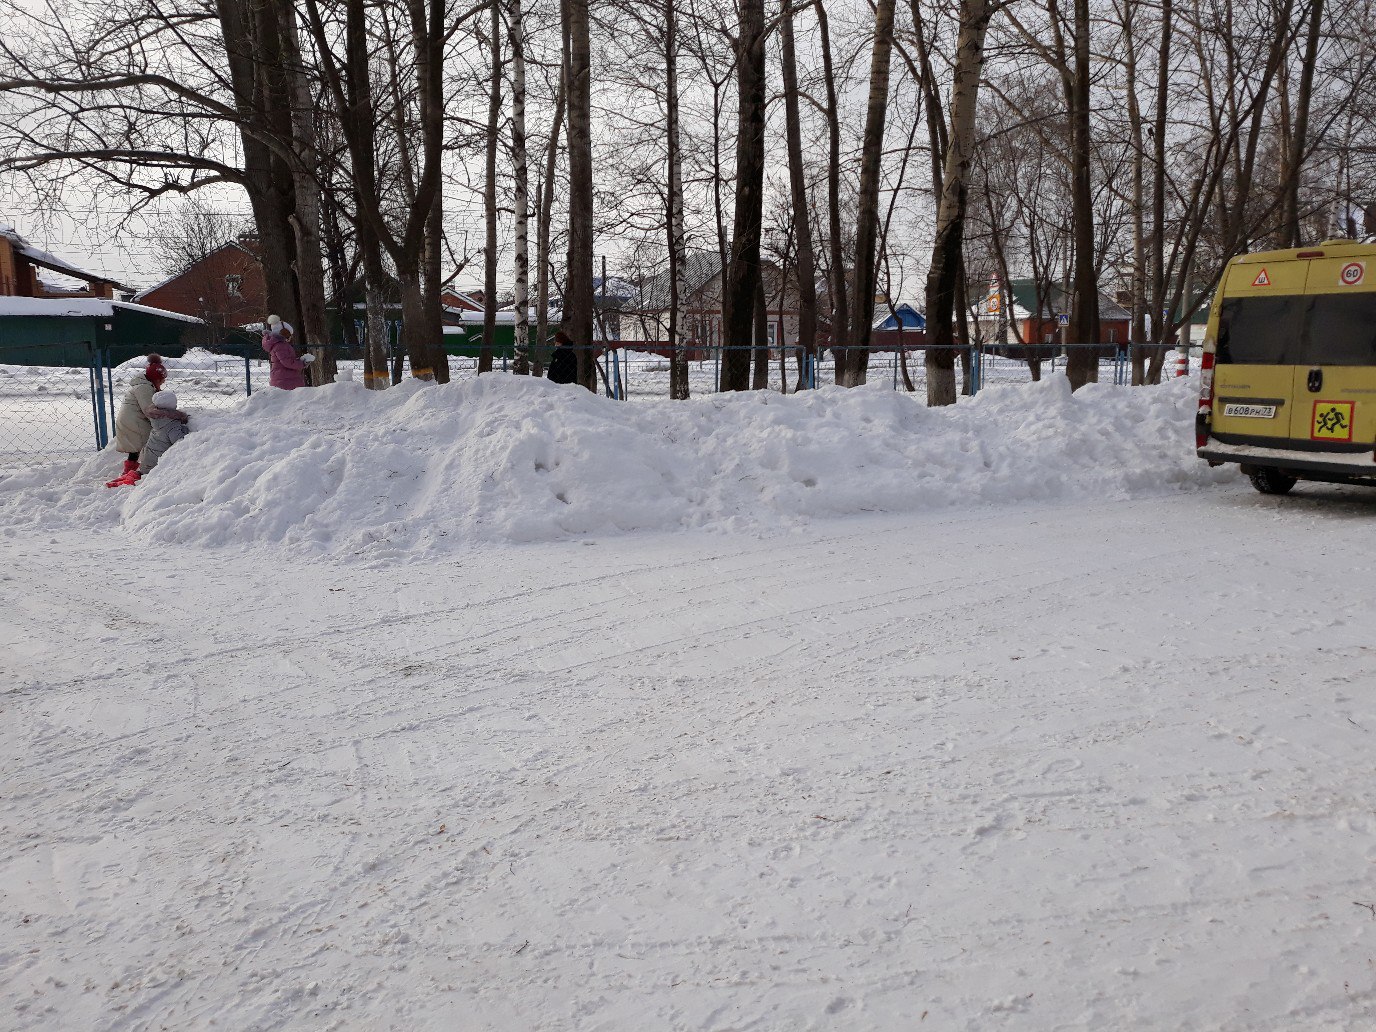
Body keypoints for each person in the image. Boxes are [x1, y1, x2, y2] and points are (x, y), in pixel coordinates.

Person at [107, 354, 189, 487]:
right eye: (161, 380)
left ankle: (131, 471)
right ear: (155, 378)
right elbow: (149, 410)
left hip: (132, 420)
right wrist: (176, 415)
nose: (162, 382)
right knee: (147, 444)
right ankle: (131, 472)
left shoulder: (145, 384)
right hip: (135, 422)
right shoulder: (144, 388)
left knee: (139, 448)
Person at [137, 390, 190, 476]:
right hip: (156, 466)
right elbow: (180, 440)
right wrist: (185, 430)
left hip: (146, 461)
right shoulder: (171, 424)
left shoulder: (156, 419)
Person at [262, 314, 315, 390]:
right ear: (283, 332)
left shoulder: (278, 345)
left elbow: (286, 359)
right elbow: (287, 362)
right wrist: (302, 363)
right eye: (288, 334)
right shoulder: (281, 346)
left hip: (284, 378)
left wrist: (299, 360)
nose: (290, 337)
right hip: (286, 380)